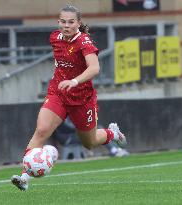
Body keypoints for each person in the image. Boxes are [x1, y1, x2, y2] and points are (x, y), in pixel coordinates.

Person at [11, 4, 127, 191]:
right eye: (63, 22)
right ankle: (24, 177)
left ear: (78, 23)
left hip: (82, 99)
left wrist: (74, 81)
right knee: (41, 130)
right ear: (58, 22)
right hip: (58, 94)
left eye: (71, 22)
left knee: (89, 143)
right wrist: (64, 81)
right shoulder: (54, 38)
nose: (66, 25)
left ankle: (112, 133)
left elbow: (94, 68)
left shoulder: (84, 42)